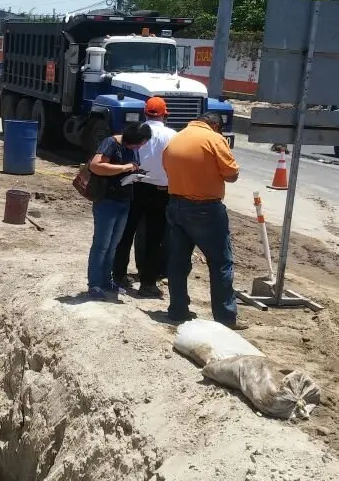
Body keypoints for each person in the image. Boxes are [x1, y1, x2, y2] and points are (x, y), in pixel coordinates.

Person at [162, 112, 246, 329]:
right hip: (205, 209)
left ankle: (177, 310)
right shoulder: (215, 139)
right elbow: (231, 175)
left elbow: (167, 167)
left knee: (178, 261)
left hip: (175, 205)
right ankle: (225, 318)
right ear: (216, 125)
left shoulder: (177, 138)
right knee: (220, 263)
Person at [112, 97, 177, 298]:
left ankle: (118, 275)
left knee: (126, 232)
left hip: (135, 186)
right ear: (165, 114)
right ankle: (148, 282)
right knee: (154, 237)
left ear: (145, 112)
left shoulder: (135, 131)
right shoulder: (173, 135)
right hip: (160, 190)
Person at [87, 123, 153, 299]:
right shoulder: (111, 143)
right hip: (107, 200)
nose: (139, 148)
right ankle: (94, 284)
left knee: (113, 245)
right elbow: (95, 166)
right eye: (138, 144)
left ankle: (106, 280)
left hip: (125, 200)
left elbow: (132, 164)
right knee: (101, 244)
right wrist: (124, 168)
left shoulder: (132, 148)